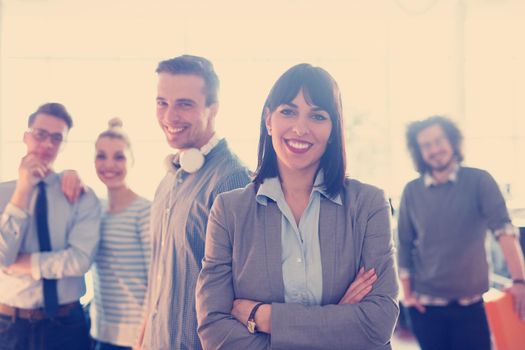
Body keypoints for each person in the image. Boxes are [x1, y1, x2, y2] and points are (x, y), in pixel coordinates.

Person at [195, 63, 399, 349]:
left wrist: (264, 317)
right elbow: (215, 330)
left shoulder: (369, 205)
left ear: (333, 130)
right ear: (268, 120)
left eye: (317, 115)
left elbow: (378, 323)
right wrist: (338, 318)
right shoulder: (229, 211)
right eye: (288, 112)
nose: (300, 128)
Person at [136, 55, 250, 350]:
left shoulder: (232, 180)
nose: (169, 116)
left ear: (214, 109)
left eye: (184, 104)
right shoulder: (169, 180)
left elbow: (245, 295)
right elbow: (159, 277)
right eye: (162, 102)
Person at [397, 116, 525, 350]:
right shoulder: (411, 191)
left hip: (472, 306)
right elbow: (404, 244)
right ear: (418, 151)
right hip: (426, 307)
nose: (435, 149)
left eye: (439, 140)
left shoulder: (479, 180)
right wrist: (407, 295)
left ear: (452, 141)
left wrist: (520, 281)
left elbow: (504, 231)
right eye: (426, 145)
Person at [0, 102, 101, 350]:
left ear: (63, 144)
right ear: (26, 136)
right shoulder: (3, 194)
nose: (47, 144)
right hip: (9, 326)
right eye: (40, 134)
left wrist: (24, 263)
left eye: (56, 138)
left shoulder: (80, 195)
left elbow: (79, 261)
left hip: (66, 325)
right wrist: (23, 190)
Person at [89, 118, 151, 350]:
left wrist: (142, 339)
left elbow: (156, 283)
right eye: (101, 156)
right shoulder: (94, 209)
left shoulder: (145, 211)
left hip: (134, 339)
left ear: (132, 160)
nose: (109, 164)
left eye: (119, 156)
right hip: (99, 332)